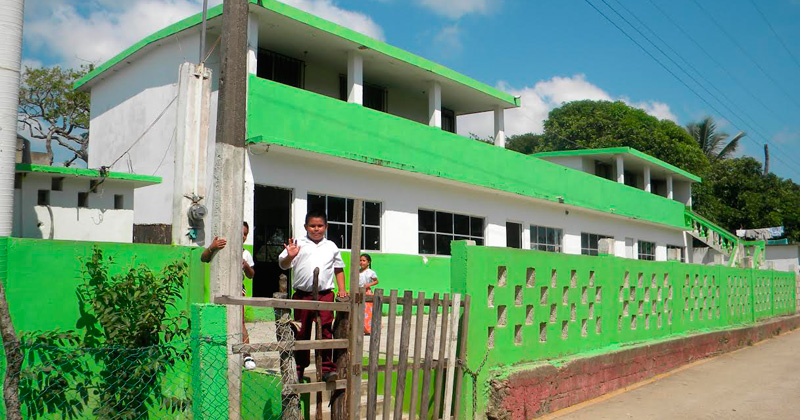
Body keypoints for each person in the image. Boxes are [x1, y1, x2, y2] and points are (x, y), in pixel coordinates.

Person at [279, 211, 346, 383]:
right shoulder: (297, 244)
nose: (316, 229)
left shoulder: (331, 246)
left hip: (325, 295)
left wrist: (342, 289)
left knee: (325, 331)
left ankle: (326, 369)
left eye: (320, 226)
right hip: (303, 296)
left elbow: (338, 269)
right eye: (312, 226)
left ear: (326, 227)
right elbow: (283, 264)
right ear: (305, 227)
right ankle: (299, 368)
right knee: (301, 331)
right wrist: (290, 256)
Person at [201, 221, 256, 370]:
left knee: (240, 322)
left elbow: (251, 275)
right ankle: (217, 352)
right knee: (220, 320)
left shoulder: (245, 253)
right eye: (240, 233)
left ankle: (247, 354)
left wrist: (246, 266)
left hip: (237, 292)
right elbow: (204, 258)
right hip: (221, 290)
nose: (243, 236)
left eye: (245, 234)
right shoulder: (221, 247)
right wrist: (212, 247)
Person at [358, 254, 379, 335]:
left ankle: (369, 329)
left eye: (364, 260)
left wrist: (368, 285)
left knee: (367, 311)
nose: (361, 262)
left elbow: (376, 281)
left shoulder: (371, 272)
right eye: (360, 260)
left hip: (367, 292)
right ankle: (361, 328)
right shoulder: (358, 272)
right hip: (358, 291)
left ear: (368, 262)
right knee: (359, 310)